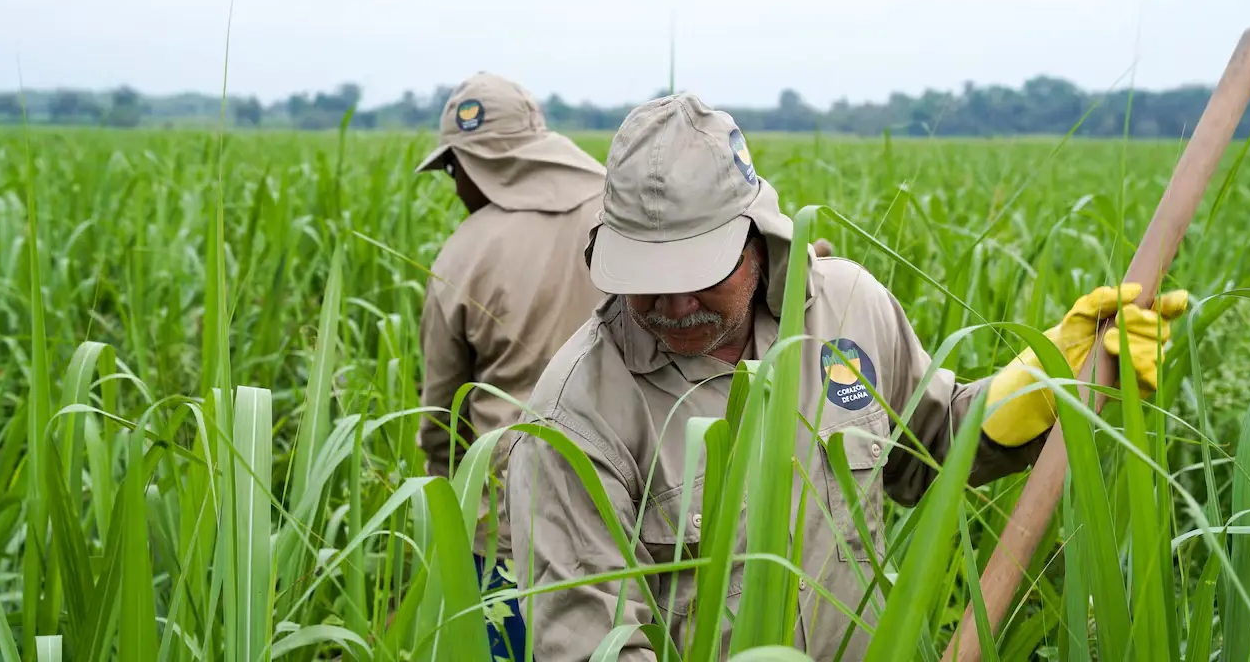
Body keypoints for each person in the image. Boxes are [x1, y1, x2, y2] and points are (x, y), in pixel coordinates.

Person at [503, 92, 1187, 661]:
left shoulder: (849, 307)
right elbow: (588, 646)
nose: (674, 307)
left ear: (757, 238)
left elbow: (928, 449)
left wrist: (1039, 389)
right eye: (648, 282)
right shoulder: (572, 419)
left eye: (699, 276)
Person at [414, 71, 608, 661]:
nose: (455, 188)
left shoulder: (464, 254)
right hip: (642, 517)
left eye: (455, 170)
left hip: (510, 535)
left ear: (477, 167)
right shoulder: (630, 218)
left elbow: (442, 424)